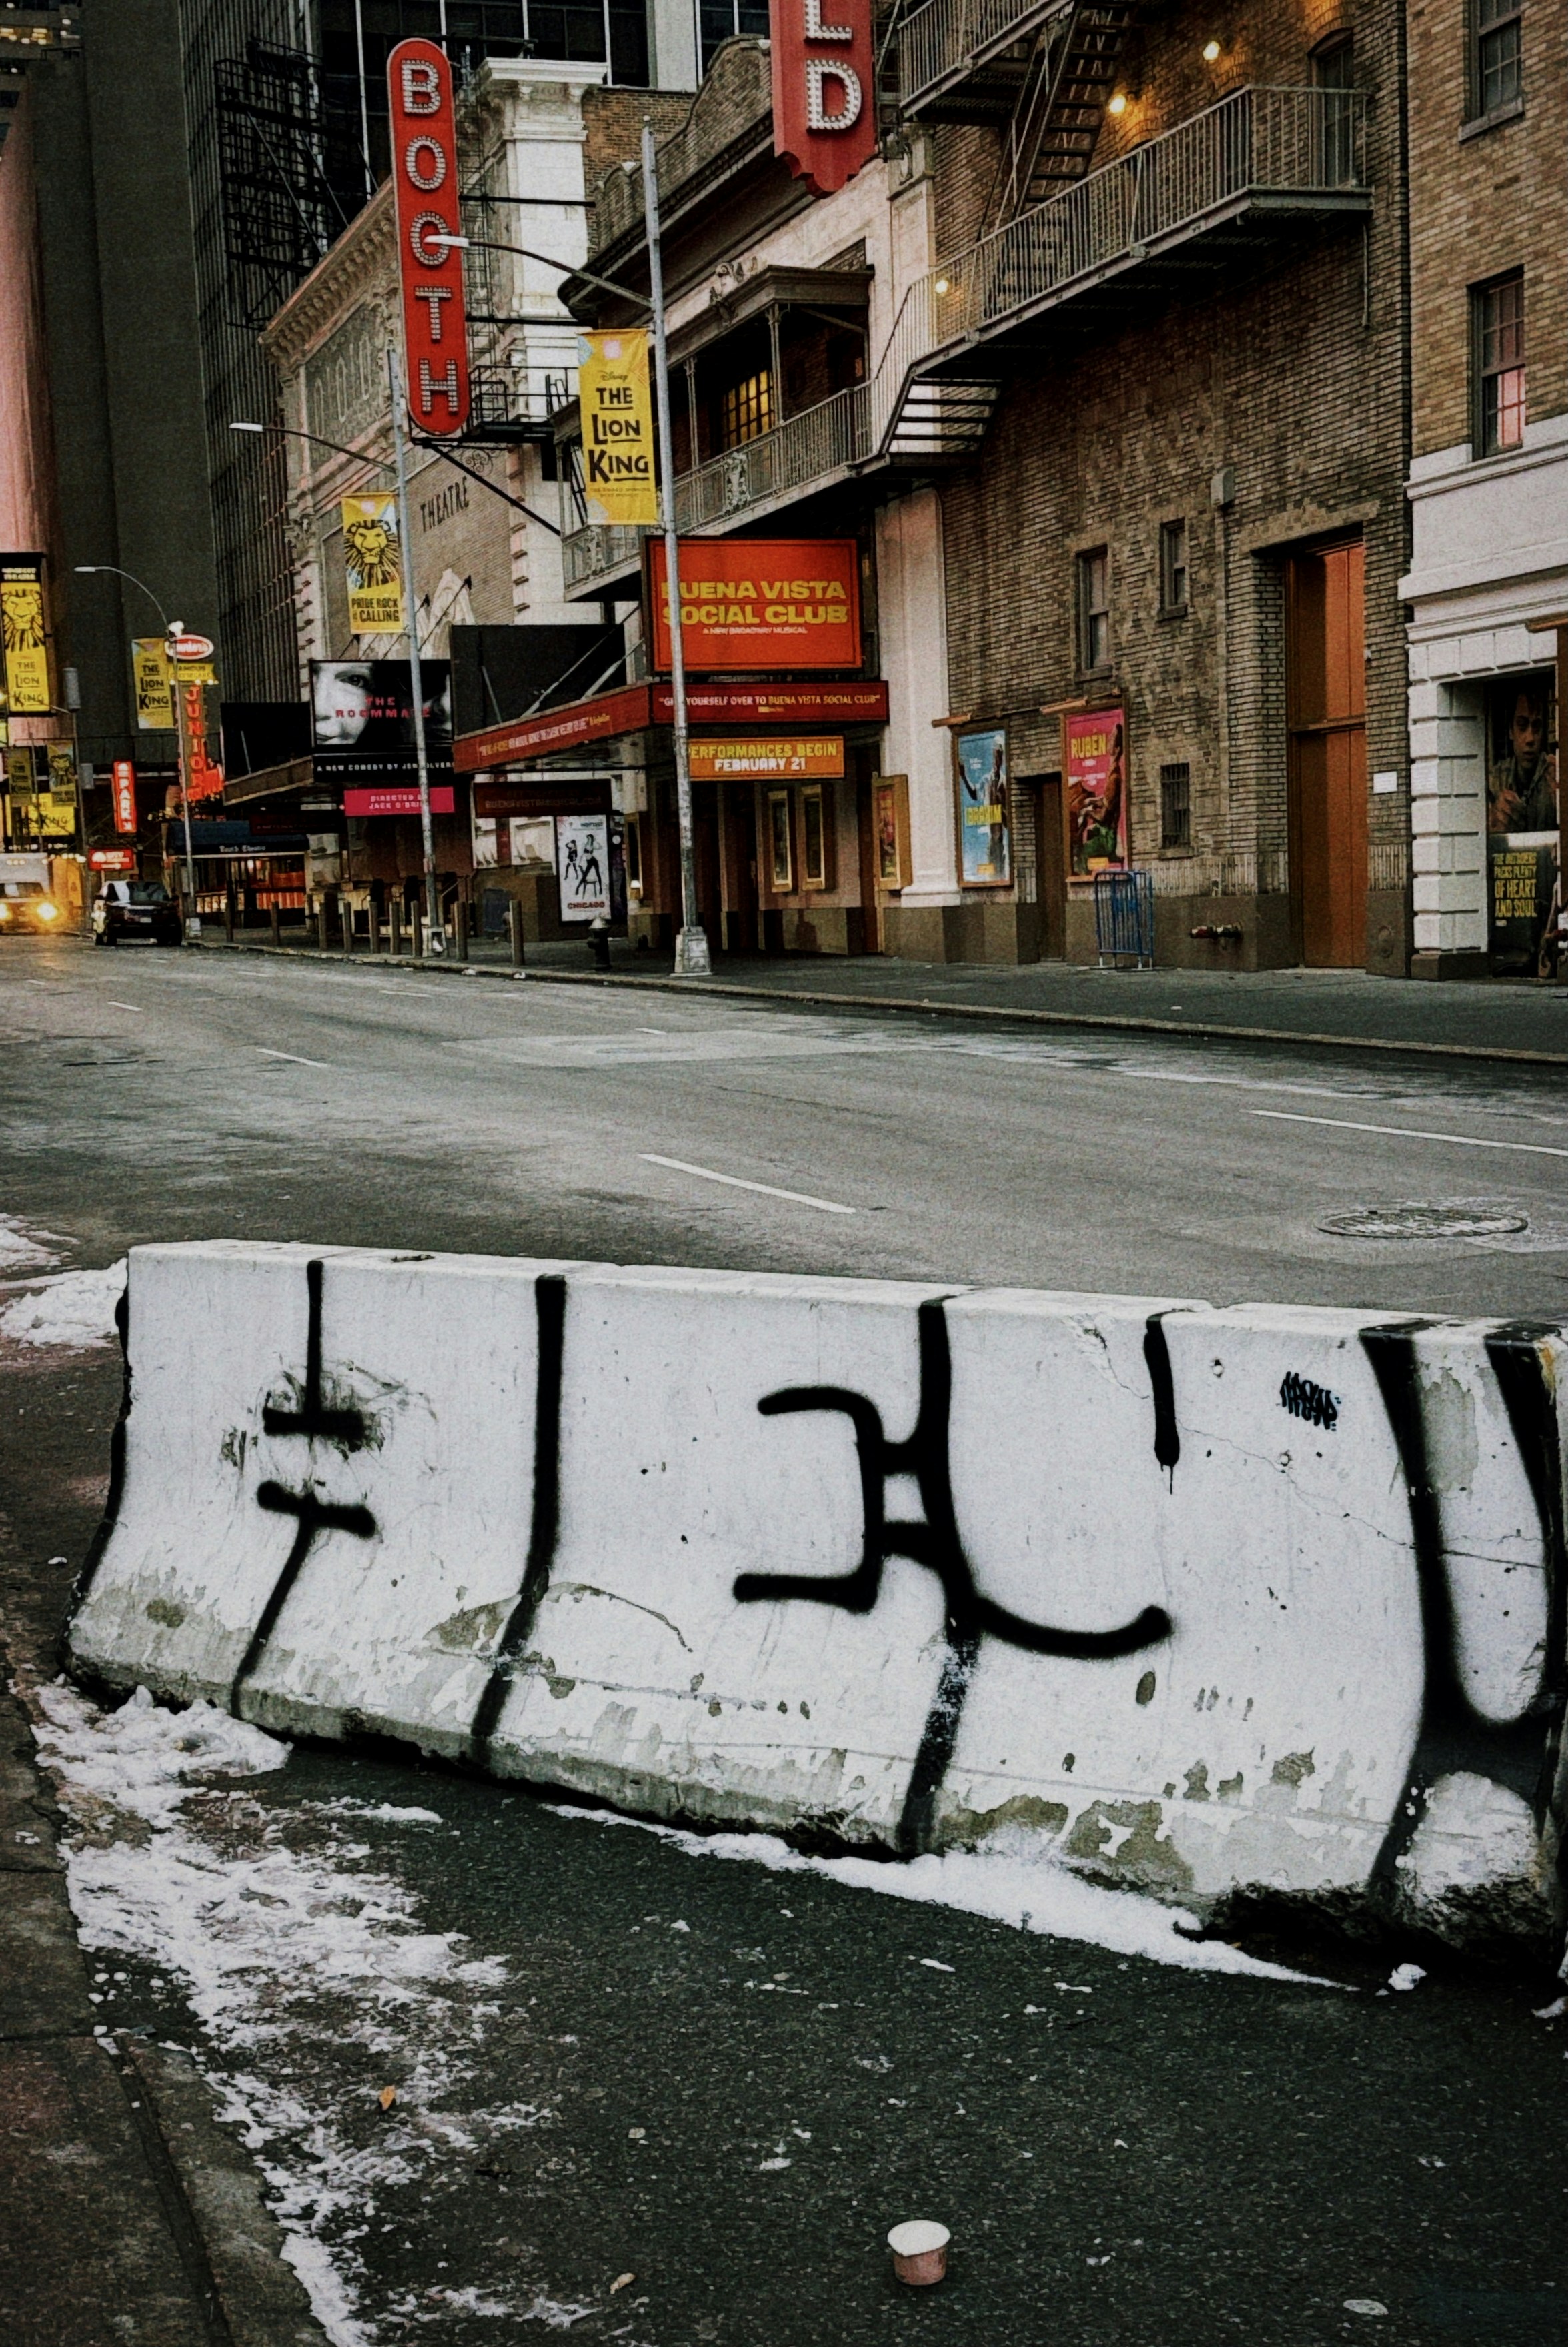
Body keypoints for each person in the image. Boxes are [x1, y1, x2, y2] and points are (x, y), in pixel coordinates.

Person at [1487, 683, 1557, 834]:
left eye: (1536, 727)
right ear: (1511, 731)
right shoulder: (1495, 779)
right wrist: (1492, 823)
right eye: (1522, 726)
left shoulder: (1555, 774)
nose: (1530, 738)